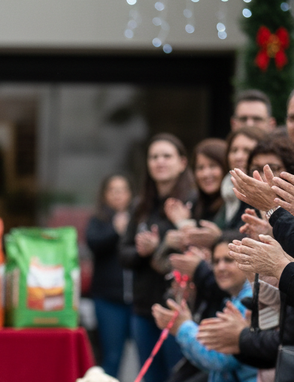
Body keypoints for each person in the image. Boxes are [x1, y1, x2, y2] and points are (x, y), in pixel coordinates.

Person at [120, 133, 196, 382]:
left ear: (182, 162)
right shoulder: (140, 205)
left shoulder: (192, 202)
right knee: (149, 376)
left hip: (179, 308)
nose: (159, 162)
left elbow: (197, 252)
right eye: (154, 157)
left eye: (166, 156)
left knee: (178, 376)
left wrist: (161, 245)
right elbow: (124, 254)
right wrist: (143, 252)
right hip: (144, 308)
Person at [152, 232, 256, 382]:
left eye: (229, 260)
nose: (221, 267)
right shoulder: (234, 298)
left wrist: (182, 327)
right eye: (216, 261)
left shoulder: (250, 299)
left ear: (248, 261)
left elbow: (220, 358)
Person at [87, 174, 135, 378]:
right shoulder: (98, 220)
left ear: (130, 194)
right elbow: (93, 244)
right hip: (108, 299)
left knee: (144, 356)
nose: (118, 195)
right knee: (112, 357)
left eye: (122, 190)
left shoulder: (139, 219)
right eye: (113, 190)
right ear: (104, 194)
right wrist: (116, 230)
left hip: (138, 301)